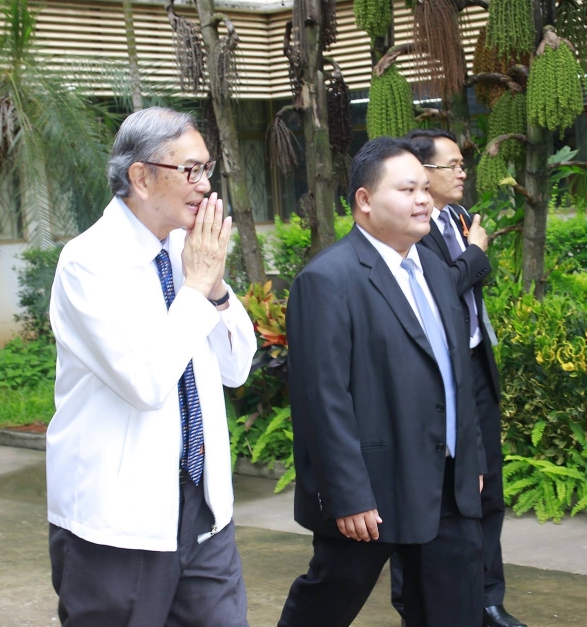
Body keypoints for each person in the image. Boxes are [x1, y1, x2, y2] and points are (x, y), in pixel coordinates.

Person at [46, 107, 257, 626]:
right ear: (141, 177)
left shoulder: (189, 250)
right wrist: (195, 287)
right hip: (121, 520)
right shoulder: (88, 263)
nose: (204, 185)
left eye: (207, 169)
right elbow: (145, 383)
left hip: (204, 508)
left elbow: (237, 368)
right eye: (190, 170)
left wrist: (216, 289)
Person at [278, 137, 487, 627]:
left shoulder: (434, 267)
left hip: (448, 481)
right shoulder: (327, 279)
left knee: (452, 610)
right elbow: (322, 399)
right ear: (365, 200)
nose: (424, 200)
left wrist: (470, 456)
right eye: (408, 189)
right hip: (373, 490)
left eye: (425, 189)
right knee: (327, 605)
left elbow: (457, 372)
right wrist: (348, 494)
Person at [387, 129, 526, 627]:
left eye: (462, 164)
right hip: (435, 371)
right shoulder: (411, 228)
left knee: (486, 486)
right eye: (452, 165)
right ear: (422, 172)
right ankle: (415, 599)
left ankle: (487, 596)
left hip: (473, 366)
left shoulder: (460, 219)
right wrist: (476, 256)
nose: (462, 172)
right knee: (430, 489)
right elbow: (441, 286)